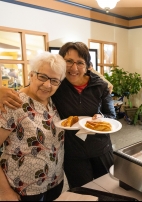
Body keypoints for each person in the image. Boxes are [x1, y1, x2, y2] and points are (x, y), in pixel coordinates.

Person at [0, 42, 116, 189]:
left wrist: (101, 117)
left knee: (109, 188)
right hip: (73, 153)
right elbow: (32, 87)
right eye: (69, 61)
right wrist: (2, 91)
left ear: (87, 65)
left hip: (101, 148)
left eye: (80, 62)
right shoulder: (57, 85)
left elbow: (111, 115)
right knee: (82, 193)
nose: (74, 68)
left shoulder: (100, 86)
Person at [0, 52, 66, 201]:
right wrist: (3, 191)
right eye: (42, 77)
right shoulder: (14, 103)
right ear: (31, 75)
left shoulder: (52, 102)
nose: (47, 85)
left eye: (54, 80)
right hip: (24, 189)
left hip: (54, 182)